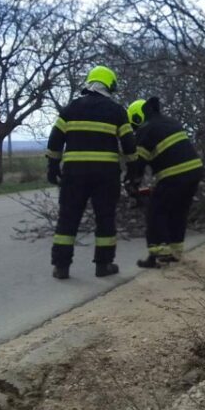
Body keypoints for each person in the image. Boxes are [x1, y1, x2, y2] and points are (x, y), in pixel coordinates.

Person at [45, 66, 137, 279]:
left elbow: (55, 140)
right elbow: (129, 145)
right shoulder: (116, 111)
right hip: (106, 176)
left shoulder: (70, 109)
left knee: (67, 218)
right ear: (109, 85)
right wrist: (132, 171)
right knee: (105, 218)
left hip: (74, 175)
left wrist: (52, 167)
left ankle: (61, 267)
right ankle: (103, 265)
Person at [125, 96, 205, 268]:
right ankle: (175, 253)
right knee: (178, 212)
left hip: (174, 174)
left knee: (156, 211)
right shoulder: (170, 122)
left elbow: (138, 162)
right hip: (195, 172)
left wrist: (131, 183)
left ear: (137, 118)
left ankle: (159, 255)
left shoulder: (145, 130)